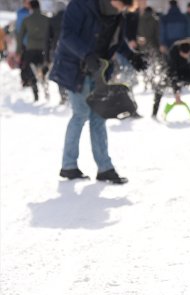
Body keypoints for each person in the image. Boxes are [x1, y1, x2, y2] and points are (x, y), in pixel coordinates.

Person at [49, 0, 147, 184]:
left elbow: (116, 40)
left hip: (99, 70)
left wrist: (132, 56)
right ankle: (68, 165)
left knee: (98, 117)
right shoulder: (80, 5)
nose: (122, 9)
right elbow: (67, 35)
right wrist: (87, 54)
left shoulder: (117, 13)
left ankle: (105, 168)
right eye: (121, 4)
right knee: (80, 114)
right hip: (76, 67)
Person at [151, 38, 190, 118]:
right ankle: (154, 112)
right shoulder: (173, 52)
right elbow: (172, 73)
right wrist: (176, 91)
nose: (186, 57)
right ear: (179, 52)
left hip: (189, 71)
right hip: (175, 71)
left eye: (188, 55)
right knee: (160, 86)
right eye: (183, 55)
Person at [17, 0, 50, 102]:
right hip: (44, 49)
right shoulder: (46, 19)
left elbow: (20, 35)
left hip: (30, 49)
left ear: (31, 7)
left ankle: (35, 93)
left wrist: (19, 50)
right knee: (43, 69)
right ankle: (45, 86)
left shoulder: (27, 19)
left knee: (31, 71)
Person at [47, 0, 68, 103]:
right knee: (69, 71)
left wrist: (46, 55)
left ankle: (63, 94)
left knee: (60, 73)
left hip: (57, 49)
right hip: (70, 49)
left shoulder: (52, 20)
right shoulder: (70, 18)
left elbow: (48, 39)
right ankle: (70, 94)